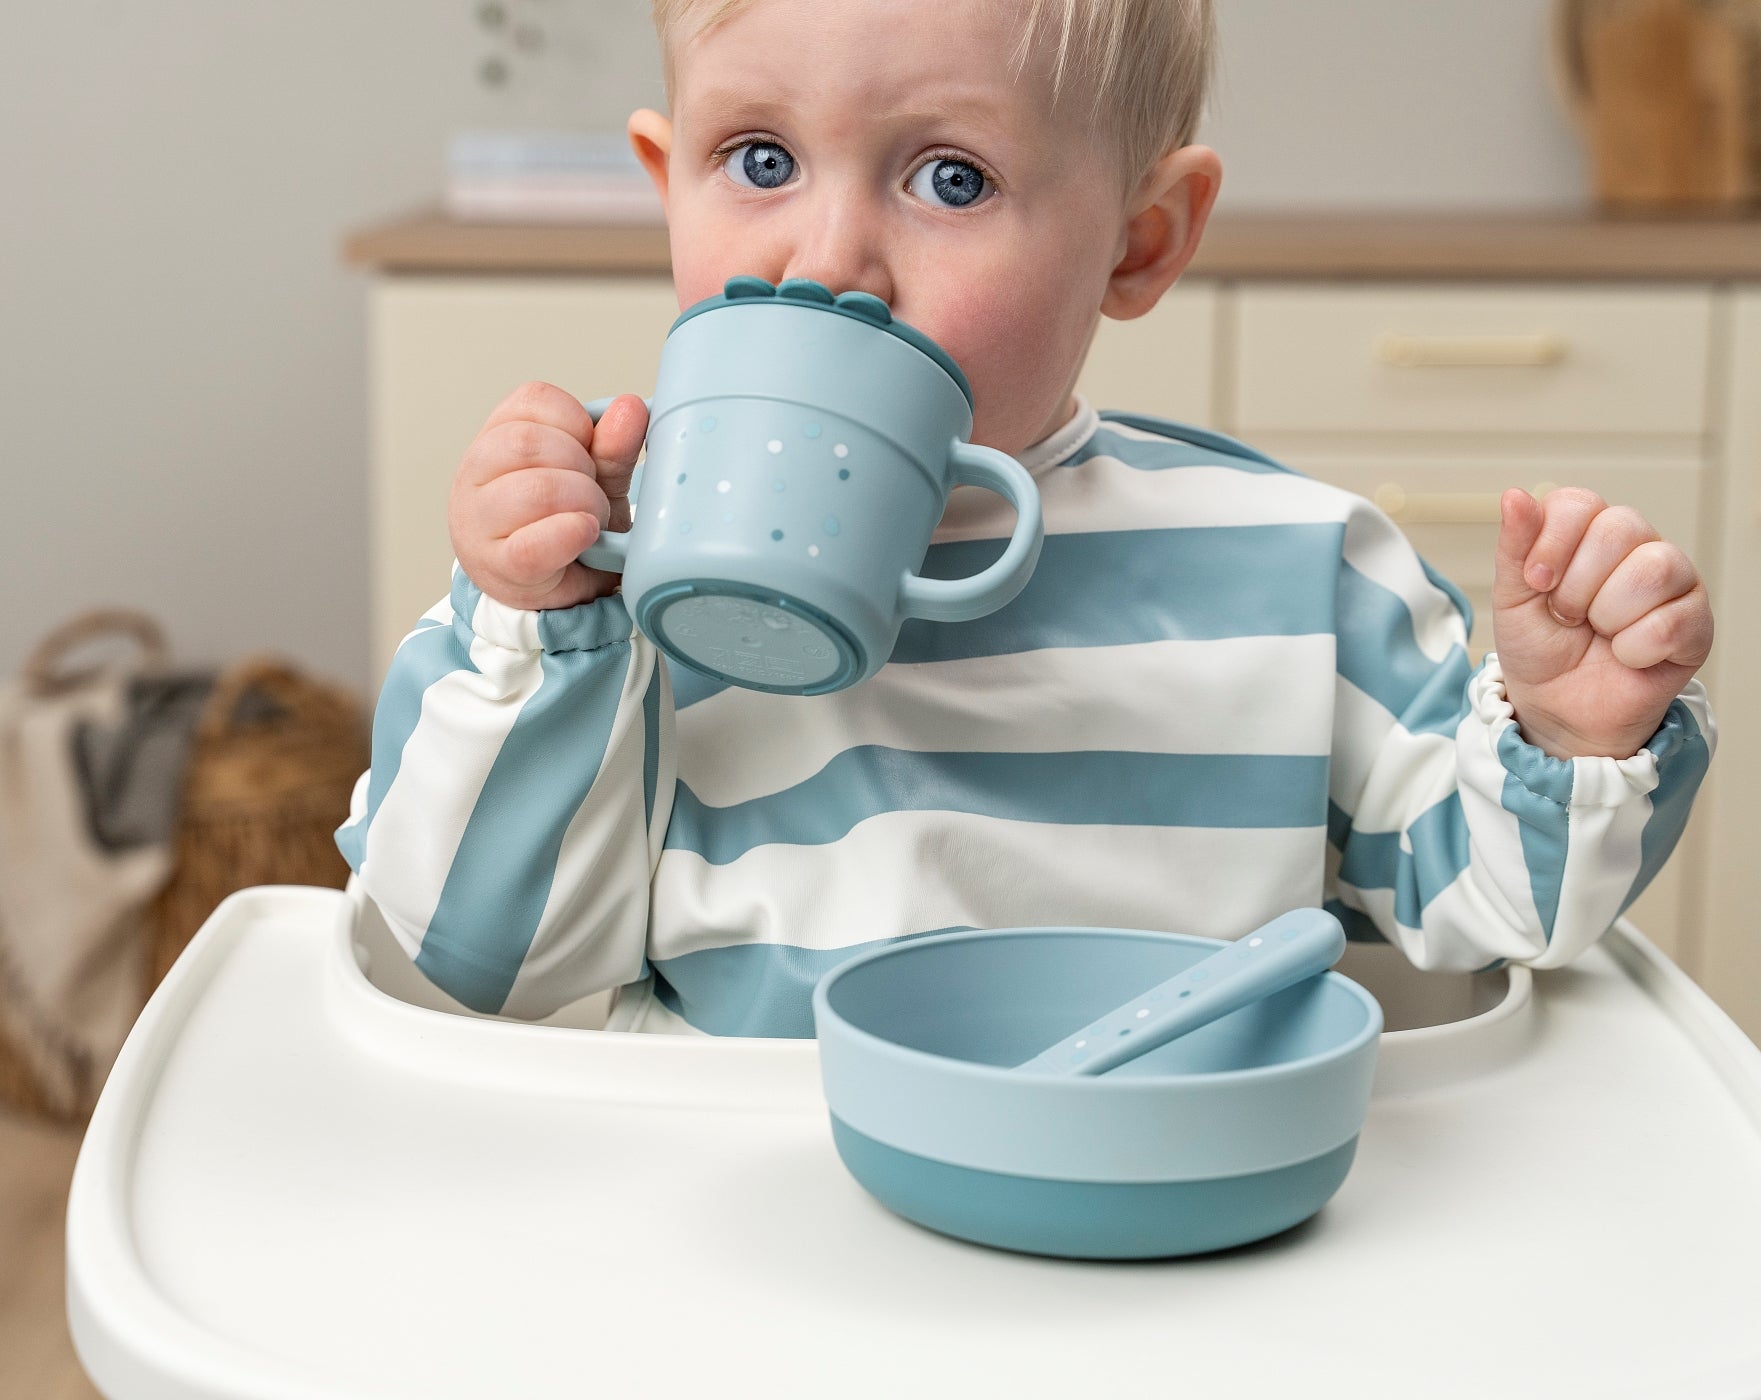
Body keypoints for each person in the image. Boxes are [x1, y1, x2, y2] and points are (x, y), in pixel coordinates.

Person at [337, 0, 1715, 1033]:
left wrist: (1569, 737)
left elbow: (1491, 924)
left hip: (1163, 1237)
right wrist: (539, 629)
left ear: (1139, 240)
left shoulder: (1300, 569)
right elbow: (474, 965)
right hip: (751, 1258)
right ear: (666, 184)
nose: (827, 261)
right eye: (757, 160)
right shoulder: (617, 580)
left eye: (949, 179)